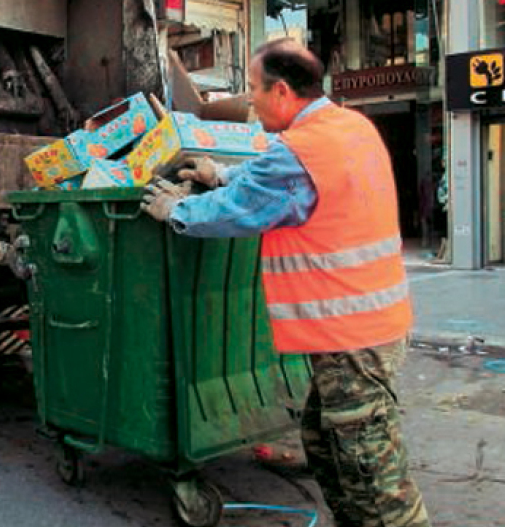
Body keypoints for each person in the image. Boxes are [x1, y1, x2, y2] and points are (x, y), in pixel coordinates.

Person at [141, 39, 430, 527]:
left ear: (280, 90)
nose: (249, 99)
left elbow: (245, 207)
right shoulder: (347, 125)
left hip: (350, 335)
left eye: (253, 89)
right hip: (371, 325)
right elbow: (279, 177)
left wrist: (178, 210)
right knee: (323, 438)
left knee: (373, 474)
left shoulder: (304, 150)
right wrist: (221, 173)